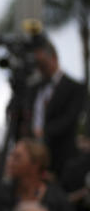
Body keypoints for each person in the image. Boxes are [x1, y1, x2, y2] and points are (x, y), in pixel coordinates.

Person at [23, 39, 87, 178]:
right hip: (33, 160)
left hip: (61, 159)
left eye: (42, 63)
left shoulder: (74, 88)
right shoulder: (33, 88)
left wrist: (42, 133)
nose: (40, 68)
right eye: (37, 64)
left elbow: (69, 120)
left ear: (53, 58)